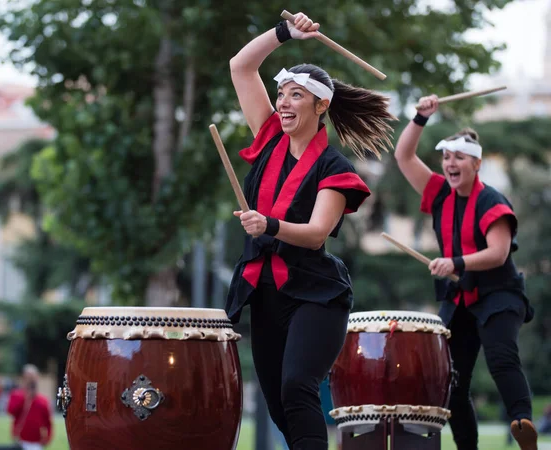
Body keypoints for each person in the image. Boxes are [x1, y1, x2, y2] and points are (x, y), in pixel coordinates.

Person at [226, 12, 395, 450]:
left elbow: (318, 232)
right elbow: (240, 67)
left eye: (295, 95)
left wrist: (270, 224)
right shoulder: (267, 138)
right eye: (281, 93)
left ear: (321, 106)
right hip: (265, 289)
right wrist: (286, 34)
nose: (282, 102)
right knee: (281, 406)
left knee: (298, 387)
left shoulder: (333, 166)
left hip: (316, 294)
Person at [393, 94, 537, 450]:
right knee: (452, 381)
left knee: (501, 356)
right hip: (460, 299)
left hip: (500, 294)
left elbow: (498, 253)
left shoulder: (493, 201)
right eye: (445, 157)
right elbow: (403, 156)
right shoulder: (439, 192)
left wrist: (455, 263)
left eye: (458, 157)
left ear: (476, 164)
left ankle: (523, 425)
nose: (449, 163)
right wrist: (420, 118)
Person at [6, 364, 53, 450]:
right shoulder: (17, 395)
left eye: (33, 378)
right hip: (20, 440)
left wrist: (47, 438)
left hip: (37, 442)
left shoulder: (43, 400)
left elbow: (48, 422)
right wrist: (25, 398)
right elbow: (11, 411)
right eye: (28, 377)